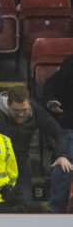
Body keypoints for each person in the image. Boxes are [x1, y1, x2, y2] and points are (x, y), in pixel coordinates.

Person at [0, 86, 72, 210]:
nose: (20, 115)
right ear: (7, 106)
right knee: (2, 207)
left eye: (24, 110)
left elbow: (59, 132)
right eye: (16, 110)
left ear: (29, 104)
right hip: (0, 166)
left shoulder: (35, 111)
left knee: (25, 204)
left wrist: (62, 155)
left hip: (21, 163)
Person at [41, 55, 73, 213]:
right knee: (65, 161)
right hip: (66, 127)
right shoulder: (69, 66)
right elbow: (49, 89)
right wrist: (50, 103)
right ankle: (56, 208)